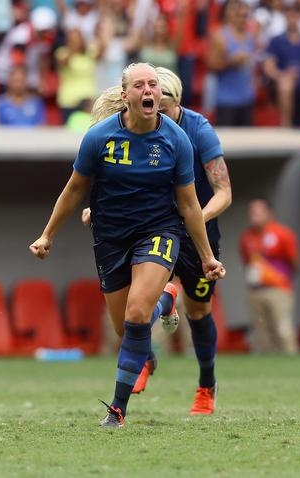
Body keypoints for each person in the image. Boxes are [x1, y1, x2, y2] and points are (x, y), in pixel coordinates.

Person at [29, 62, 226, 429]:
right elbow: (75, 188)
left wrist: (207, 256)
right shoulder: (99, 138)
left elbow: (188, 203)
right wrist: (48, 234)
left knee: (142, 314)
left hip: (159, 231)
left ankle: (117, 409)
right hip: (111, 236)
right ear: (126, 96)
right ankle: (164, 306)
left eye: (154, 84)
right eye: (141, 85)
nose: (149, 91)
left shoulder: (180, 137)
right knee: (126, 328)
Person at [82, 66, 232, 415]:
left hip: (196, 227)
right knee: (131, 314)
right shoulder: (135, 124)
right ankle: (143, 356)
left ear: (175, 103)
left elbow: (224, 192)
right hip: (154, 226)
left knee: (198, 311)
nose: (155, 114)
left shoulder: (197, 130)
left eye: (162, 106)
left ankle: (206, 385)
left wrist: (196, 218)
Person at [240, 198, 300, 354]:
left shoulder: (283, 234)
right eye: (252, 212)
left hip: (278, 289)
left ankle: (293, 362)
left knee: (283, 329)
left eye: (259, 212)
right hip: (255, 290)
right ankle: (270, 368)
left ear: (269, 213)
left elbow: (294, 261)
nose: (254, 216)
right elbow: (246, 261)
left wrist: (280, 278)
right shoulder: (246, 237)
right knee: (262, 332)